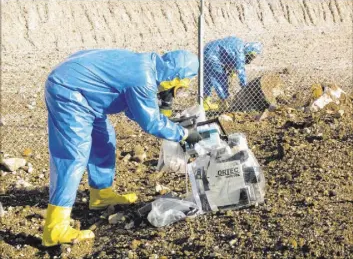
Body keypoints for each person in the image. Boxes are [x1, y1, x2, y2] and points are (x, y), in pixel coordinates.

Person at [42, 49, 202, 246]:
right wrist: (183, 134)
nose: (174, 92)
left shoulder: (147, 66)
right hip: (68, 90)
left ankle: (101, 195)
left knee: (103, 141)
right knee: (73, 154)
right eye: (179, 86)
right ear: (175, 76)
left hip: (86, 92)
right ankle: (55, 228)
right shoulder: (143, 78)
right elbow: (151, 123)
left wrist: (168, 123)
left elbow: (134, 110)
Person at [203, 36, 263, 111]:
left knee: (208, 78)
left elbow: (227, 54)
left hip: (207, 50)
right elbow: (241, 70)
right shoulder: (240, 52)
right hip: (212, 56)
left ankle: (205, 102)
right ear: (249, 51)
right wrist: (244, 86)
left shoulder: (238, 43)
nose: (250, 59)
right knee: (219, 78)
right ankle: (224, 103)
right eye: (251, 56)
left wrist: (232, 70)